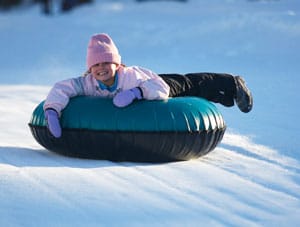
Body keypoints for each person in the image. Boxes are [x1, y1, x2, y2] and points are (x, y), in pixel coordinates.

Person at [44, 33, 253, 138]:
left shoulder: (130, 76)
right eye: (95, 65)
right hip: (144, 88)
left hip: (153, 84)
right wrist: (52, 110)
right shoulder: (88, 83)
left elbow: (160, 88)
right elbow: (62, 88)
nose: (101, 69)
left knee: (190, 84)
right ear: (90, 68)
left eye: (106, 63)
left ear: (116, 64)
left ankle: (232, 84)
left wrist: (137, 92)